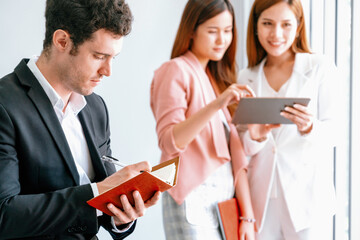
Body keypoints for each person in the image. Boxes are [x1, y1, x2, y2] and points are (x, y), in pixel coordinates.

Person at [0, 0, 160, 239]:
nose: (108, 71)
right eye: (99, 56)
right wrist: (97, 192)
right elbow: (4, 215)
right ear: (62, 41)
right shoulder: (5, 104)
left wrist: (120, 215)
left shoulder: (96, 108)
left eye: (113, 58)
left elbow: (103, 207)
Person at [150, 0, 256, 239]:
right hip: (191, 196)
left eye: (228, 31)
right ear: (191, 31)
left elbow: (236, 159)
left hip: (223, 202)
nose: (222, 40)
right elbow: (170, 141)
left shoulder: (217, 79)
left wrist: (247, 216)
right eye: (212, 31)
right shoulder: (175, 70)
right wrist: (217, 104)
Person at [237, 0, 339, 239]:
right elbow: (241, 145)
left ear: (299, 25)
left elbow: (335, 133)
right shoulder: (246, 76)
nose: (276, 34)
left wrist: (310, 127)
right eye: (267, 24)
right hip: (262, 196)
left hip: (308, 198)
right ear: (255, 26)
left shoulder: (319, 68)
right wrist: (256, 136)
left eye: (286, 24)